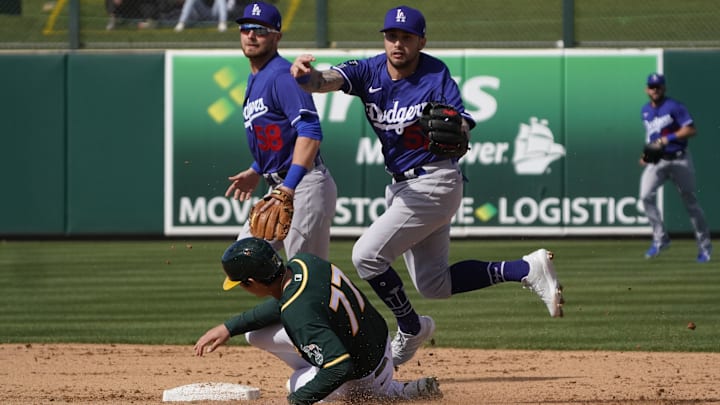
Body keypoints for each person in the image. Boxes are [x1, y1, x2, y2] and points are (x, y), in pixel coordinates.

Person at [290, 5, 564, 367]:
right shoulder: (368, 69)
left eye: (406, 37)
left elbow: (461, 121)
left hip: (435, 182)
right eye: (391, 36)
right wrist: (304, 77)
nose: (397, 44)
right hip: (405, 188)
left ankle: (409, 326)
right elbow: (324, 82)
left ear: (421, 41)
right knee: (435, 285)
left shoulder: (436, 73)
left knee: (365, 256)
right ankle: (526, 269)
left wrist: (459, 129)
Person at [194, 238, 443, 404]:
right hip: (379, 346)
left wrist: (296, 401)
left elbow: (339, 368)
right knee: (254, 334)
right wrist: (228, 327)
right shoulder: (304, 262)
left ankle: (392, 393)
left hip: (364, 379)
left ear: (252, 282)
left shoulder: (298, 314)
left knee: (295, 385)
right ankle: (392, 387)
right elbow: (285, 304)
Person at [226, 1, 336, 261]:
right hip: (279, 187)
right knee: (244, 259)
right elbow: (282, 136)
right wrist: (256, 169)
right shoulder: (257, 77)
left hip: (303, 185)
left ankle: (342, 300)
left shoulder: (282, 76)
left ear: (277, 36)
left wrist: (288, 187)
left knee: (308, 278)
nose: (251, 35)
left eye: (260, 30)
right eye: (246, 28)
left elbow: (310, 132)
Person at [639, 73, 712, 263]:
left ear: (664, 88)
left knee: (691, 203)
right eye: (652, 87)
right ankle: (661, 238)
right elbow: (651, 137)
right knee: (645, 196)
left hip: (680, 159)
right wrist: (646, 155)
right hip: (658, 161)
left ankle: (704, 247)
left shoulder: (674, 107)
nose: (655, 90)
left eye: (658, 86)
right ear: (647, 89)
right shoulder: (645, 110)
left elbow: (691, 129)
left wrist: (668, 138)